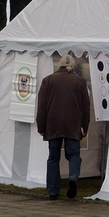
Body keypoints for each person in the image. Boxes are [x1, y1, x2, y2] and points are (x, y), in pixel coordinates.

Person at [36, 55, 90, 200]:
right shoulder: (80, 81)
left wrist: (41, 126)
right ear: (73, 65)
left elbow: (42, 106)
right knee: (73, 155)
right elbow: (86, 106)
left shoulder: (48, 80)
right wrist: (85, 126)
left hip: (53, 123)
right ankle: (73, 177)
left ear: (58, 65)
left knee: (53, 157)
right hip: (73, 123)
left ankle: (53, 191)